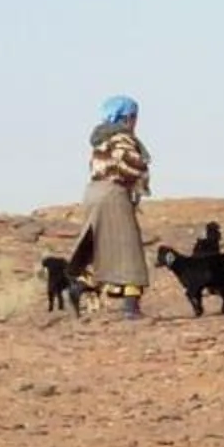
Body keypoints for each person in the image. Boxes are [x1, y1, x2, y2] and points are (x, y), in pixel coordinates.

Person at [74, 96, 154, 318]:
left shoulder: (101, 141)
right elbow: (128, 165)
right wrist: (141, 173)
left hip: (93, 192)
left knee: (100, 247)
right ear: (127, 117)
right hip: (113, 194)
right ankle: (131, 307)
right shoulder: (122, 139)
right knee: (129, 250)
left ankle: (80, 286)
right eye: (134, 117)